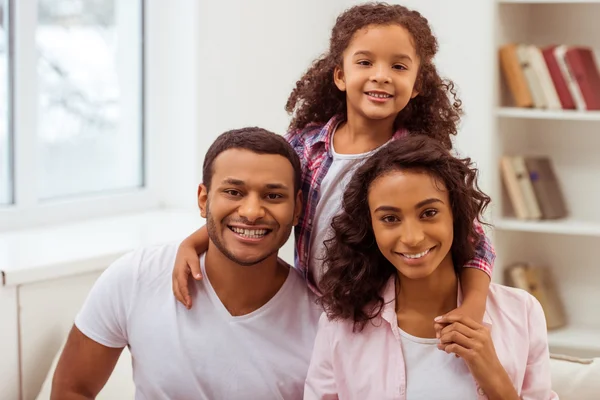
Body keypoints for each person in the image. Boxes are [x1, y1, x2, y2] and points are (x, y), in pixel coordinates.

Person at [172, 3, 495, 328]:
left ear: (417, 85)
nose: (381, 76)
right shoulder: (304, 145)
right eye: (365, 62)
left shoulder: (419, 162)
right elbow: (261, 202)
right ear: (340, 75)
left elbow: (476, 241)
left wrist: (472, 308)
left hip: (378, 318)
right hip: (310, 309)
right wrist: (193, 242)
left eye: (398, 67)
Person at [51, 128, 321, 400]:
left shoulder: (321, 322)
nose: (251, 212)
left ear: (297, 208)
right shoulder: (134, 277)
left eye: (273, 196)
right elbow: (72, 390)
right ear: (204, 200)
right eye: (233, 192)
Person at [304, 136, 558, 400]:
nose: (412, 237)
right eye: (390, 219)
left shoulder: (522, 313)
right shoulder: (339, 326)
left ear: (456, 214)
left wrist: (494, 378)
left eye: (428, 213)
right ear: (371, 228)